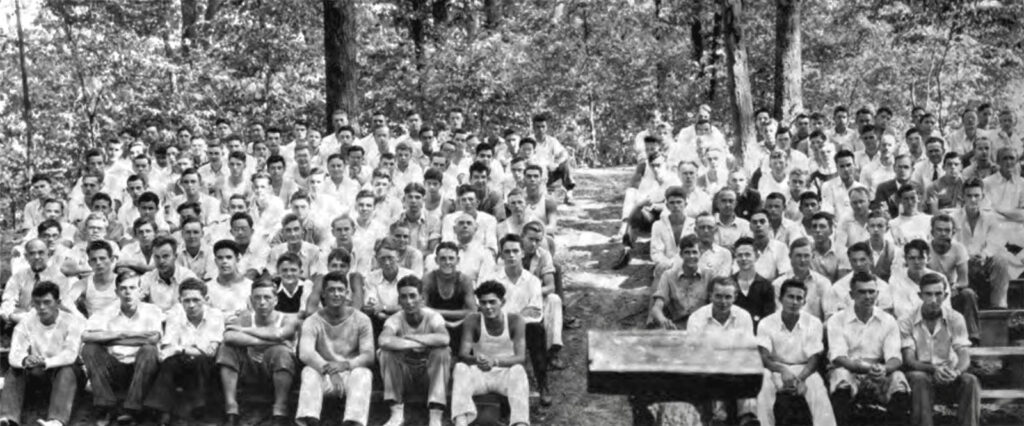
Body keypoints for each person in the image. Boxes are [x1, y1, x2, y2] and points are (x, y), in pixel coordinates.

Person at [826, 272, 910, 426]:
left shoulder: (888, 320)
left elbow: (895, 357)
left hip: (879, 372)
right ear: (852, 294)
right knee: (841, 376)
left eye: (871, 292)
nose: (867, 296)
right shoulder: (837, 320)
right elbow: (839, 356)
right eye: (862, 292)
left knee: (898, 379)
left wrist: (884, 369)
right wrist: (868, 369)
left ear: (877, 293)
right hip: (849, 369)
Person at [80, 272, 164, 425]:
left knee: (149, 350)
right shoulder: (107, 311)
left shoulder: (152, 311)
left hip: (143, 368)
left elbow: (152, 339)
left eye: (132, 288)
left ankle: (132, 409)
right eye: (123, 288)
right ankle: (105, 406)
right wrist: (122, 333)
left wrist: (109, 339)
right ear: (116, 292)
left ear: (140, 291)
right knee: (90, 349)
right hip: (115, 368)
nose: (128, 293)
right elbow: (86, 336)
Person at [479, 234, 552, 405]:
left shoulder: (533, 281)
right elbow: (484, 308)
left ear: (522, 254)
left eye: (515, 251)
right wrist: (518, 314)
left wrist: (508, 316)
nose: (511, 255)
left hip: (523, 328)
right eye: (507, 252)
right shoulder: (491, 279)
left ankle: (542, 384)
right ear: (501, 256)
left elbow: (535, 313)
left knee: (536, 330)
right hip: (496, 327)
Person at [216, 280, 301, 426]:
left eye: (267, 297)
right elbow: (229, 336)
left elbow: (278, 334)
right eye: (257, 297)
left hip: (277, 371)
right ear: (251, 299)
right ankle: (231, 408)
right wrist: (261, 341)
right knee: (226, 348)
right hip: (250, 369)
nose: (262, 302)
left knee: (281, 351)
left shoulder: (288, 319)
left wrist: (245, 331)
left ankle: (280, 409)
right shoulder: (245, 318)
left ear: (276, 300)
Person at [900, 273, 980, 426]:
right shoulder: (906, 320)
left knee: (971, 380)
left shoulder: (955, 318)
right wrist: (933, 369)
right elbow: (909, 360)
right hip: (921, 373)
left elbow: (963, 354)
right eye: (928, 294)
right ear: (920, 295)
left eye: (938, 294)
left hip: (948, 373)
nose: (933, 300)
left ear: (945, 295)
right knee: (919, 378)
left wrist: (955, 372)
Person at [296, 271, 375, 426]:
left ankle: (353, 422)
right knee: (309, 371)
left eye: (340, 290)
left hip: (349, 374)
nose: (336, 294)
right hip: (324, 373)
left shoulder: (361, 319)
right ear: (323, 294)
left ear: (347, 293)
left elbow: (368, 355)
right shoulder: (312, 321)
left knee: (363, 373)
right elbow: (306, 353)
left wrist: (345, 365)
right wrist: (329, 370)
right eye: (331, 290)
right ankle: (310, 421)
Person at [1, 281, 83, 426]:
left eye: (47, 302)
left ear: (57, 303)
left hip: (67, 374)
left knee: (67, 369)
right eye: (37, 303)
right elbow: (14, 354)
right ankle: (8, 418)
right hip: (39, 373)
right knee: (14, 370)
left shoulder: (72, 322)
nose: (42, 307)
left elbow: (70, 354)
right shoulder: (27, 322)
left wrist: (46, 362)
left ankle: (56, 421)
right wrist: (25, 360)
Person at [144, 278, 225, 424]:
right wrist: (189, 349)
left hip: (207, 367)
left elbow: (210, 352)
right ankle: (162, 411)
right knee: (170, 363)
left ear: (205, 299)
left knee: (200, 361)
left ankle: (199, 410)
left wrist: (181, 349)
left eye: (196, 300)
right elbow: (168, 348)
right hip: (182, 363)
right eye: (186, 301)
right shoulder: (175, 314)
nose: (191, 305)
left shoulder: (215, 315)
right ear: (180, 300)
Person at [755, 279, 836, 426]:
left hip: (804, 369)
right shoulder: (766, 323)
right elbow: (764, 357)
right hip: (775, 369)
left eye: (799, 298)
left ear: (804, 302)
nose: (794, 302)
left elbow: (814, 358)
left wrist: (801, 379)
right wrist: (782, 369)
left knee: (817, 386)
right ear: (780, 299)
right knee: (762, 382)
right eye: (790, 297)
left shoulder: (813, 322)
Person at [451, 280, 530, 426]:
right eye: (483, 303)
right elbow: (463, 355)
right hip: (480, 374)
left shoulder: (515, 320)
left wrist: (495, 361)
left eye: (492, 302)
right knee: (460, 368)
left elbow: (520, 358)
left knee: (518, 371)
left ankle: (520, 423)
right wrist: (478, 360)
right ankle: (461, 421)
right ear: (478, 303)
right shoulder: (472, 320)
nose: (488, 307)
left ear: (503, 302)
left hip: (504, 376)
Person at [378, 276, 452, 426]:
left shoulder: (432, 316)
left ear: (421, 298)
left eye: (413, 296)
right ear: (399, 300)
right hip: (405, 377)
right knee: (385, 352)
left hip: (428, 376)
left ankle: (435, 415)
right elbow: (384, 340)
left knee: (442, 351)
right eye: (404, 297)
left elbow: (444, 338)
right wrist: (415, 343)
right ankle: (396, 412)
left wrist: (413, 337)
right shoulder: (395, 319)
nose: (409, 301)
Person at [686, 277, 758, 426]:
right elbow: (694, 353)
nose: (723, 302)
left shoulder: (743, 316)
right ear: (710, 295)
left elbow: (746, 349)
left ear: (735, 297)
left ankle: (747, 417)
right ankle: (719, 416)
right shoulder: (697, 318)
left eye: (728, 297)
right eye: (718, 296)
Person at [953, 178, 1019, 309]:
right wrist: (966, 256)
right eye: (969, 196)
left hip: (984, 261)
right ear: (962, 198)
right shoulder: (954, 217)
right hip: (962, 263)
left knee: (1002, 258)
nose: (973, 199)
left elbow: (996, 241)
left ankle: (999, 305)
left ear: (982, 197)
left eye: (976, 195)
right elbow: (952, 243)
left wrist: (984, 254)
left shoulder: (991, 217)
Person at [422, 242, 478, 355]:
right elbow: (422, 309)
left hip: (460, 324)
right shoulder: (428, 279)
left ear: (457, 260)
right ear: (436, 260)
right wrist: (443, 321)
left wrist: (439, 314)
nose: (447, 262)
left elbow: (472, 311)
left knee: (472, 322)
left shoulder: (464, 280)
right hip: (434, 323)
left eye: (451, 258)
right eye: (443, 259)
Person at [649, 234, 711, 329]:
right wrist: (663, 321)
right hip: (677, 327)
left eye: (695, 252)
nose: (691, 256)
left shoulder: (709, 275)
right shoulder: (668, 276)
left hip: (702, 327)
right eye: (687, 252)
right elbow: (657, 307)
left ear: (701, 253)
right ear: (681, 254)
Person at [823, 242, 894, 319]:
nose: (858, 264)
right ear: (849, 261)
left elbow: (886, 318)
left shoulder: (883, 287)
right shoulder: (837, 288)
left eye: (862, 260)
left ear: (870, 259)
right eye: (854, 260)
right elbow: (831, 320)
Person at [772, 238, 830, 319]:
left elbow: (829, 315)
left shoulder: (823, 283)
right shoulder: (778, 284)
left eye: (806, 256)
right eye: (798, 256)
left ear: (812, 256)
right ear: (790, 256)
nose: (802, 260)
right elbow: (778, 314)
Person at [139, 235, 199, 313]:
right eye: (157, 257)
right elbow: (136, 301)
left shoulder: (188, 278)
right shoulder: (147, 278)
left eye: (165, 256)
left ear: (175, 256)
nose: (161, 261)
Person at [649, 186, 695, 278]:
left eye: (679, 202)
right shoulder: (658, 225)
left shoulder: (694, 224)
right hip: (664, 267)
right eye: (672, 203)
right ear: (667, 206)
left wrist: (674, 264)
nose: (675, 206)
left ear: (685, 204)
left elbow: (694, 251)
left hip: (688, 265)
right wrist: (667, 264)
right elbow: (655, 252)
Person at [731, 237, 775, 324]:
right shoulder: (729, 284)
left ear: (757, 256)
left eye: (747, 255)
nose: (743, 259)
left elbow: (768, 318)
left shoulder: (766, 286)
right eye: (740, 255)